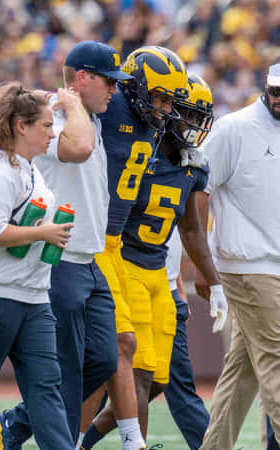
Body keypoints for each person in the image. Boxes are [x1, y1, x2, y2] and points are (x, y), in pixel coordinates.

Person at [0, 40, 133, 448]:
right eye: (108, 82)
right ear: (82, 78)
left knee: (103, 358)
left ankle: (13, 425)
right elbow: (79, 150)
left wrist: (81, 107)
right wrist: (70, 105)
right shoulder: (49, 115)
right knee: (64, 369)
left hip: (90, 258)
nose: (114, 91)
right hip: (60, 258)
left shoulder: (87, 114)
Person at [82, 72, 228, 448]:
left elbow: (192, 228)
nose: (193, 126)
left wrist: (212, 282)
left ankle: (69, 438)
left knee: (156, 382)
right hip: (124, 265)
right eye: (188, 116)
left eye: (199, 118)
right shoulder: (138, 151)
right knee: (139, 374)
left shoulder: (190, 164)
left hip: (158, 273)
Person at [80, 46, 188, 450]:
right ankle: (130, 443)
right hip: (92, 241)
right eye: (159, 97)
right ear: (137, 86)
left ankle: (31, 428)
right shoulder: (109, 107)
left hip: (115, 244)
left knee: (121, 358)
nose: (164, 108)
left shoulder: (151, 122)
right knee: (117, 347)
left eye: (169, 100)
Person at [0, 82, 75, 450]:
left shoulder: (30, 171)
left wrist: (40, 233)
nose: (53, 133)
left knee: (47, 390)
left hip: (34, 298)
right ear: (21, 126)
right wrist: (44, 234)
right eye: (46, 126)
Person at [196, 60, 280, 450]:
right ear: (266, 86)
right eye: (275, 90)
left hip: (271, 262)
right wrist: (202, 266)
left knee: (244, 370)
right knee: (276, 361)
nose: (279, 99)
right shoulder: (234, 128)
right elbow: (199, 190)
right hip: (248, 265)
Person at [165, 228, 210, 450]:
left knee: (177, 381)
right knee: (106, 374)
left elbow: (167, 241)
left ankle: (210, 445)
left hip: (168, 290)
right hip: (135, 288)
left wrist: (179, 288)